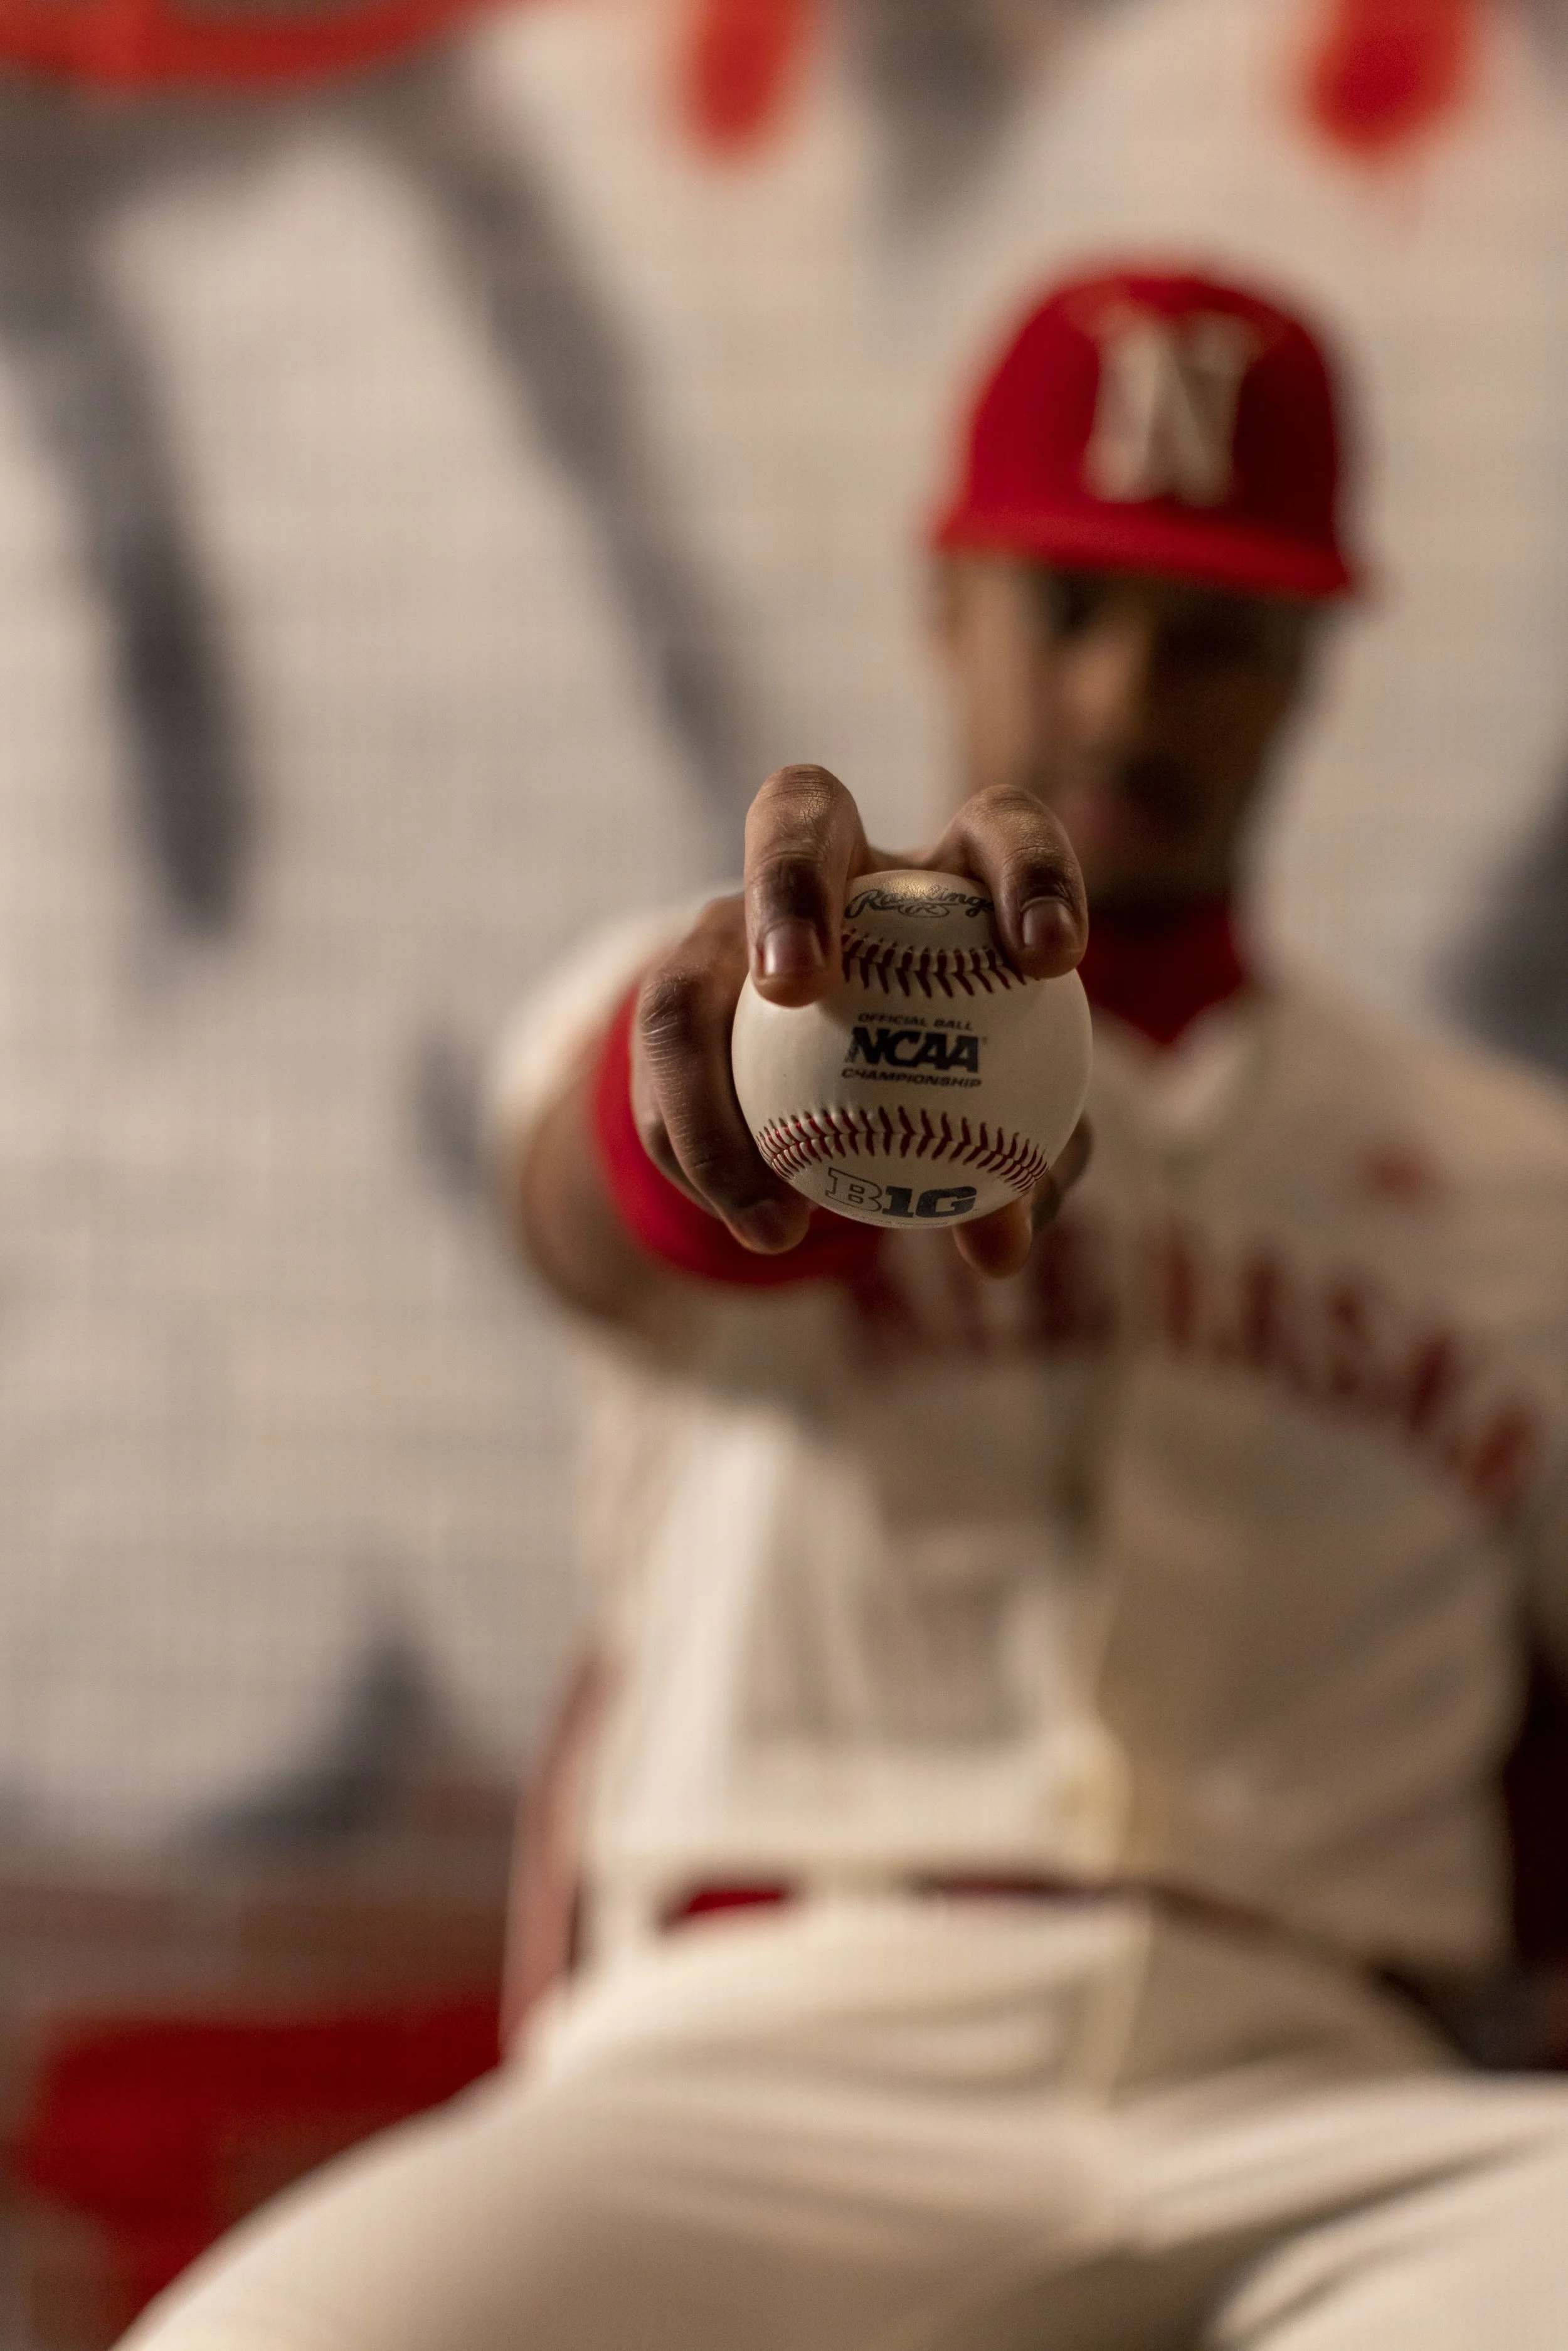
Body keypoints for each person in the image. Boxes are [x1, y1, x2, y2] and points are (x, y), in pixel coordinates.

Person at [120, 266, 1568, 2351]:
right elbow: (600, 1213)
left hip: (1329, 2099)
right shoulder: (722, 996)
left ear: (1307, 665)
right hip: (752, 2057)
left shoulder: (1519, 1186)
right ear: (945, 598)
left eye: (1215, 632)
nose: (1127, 690)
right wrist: (712, 1119)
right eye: (1068, 604)